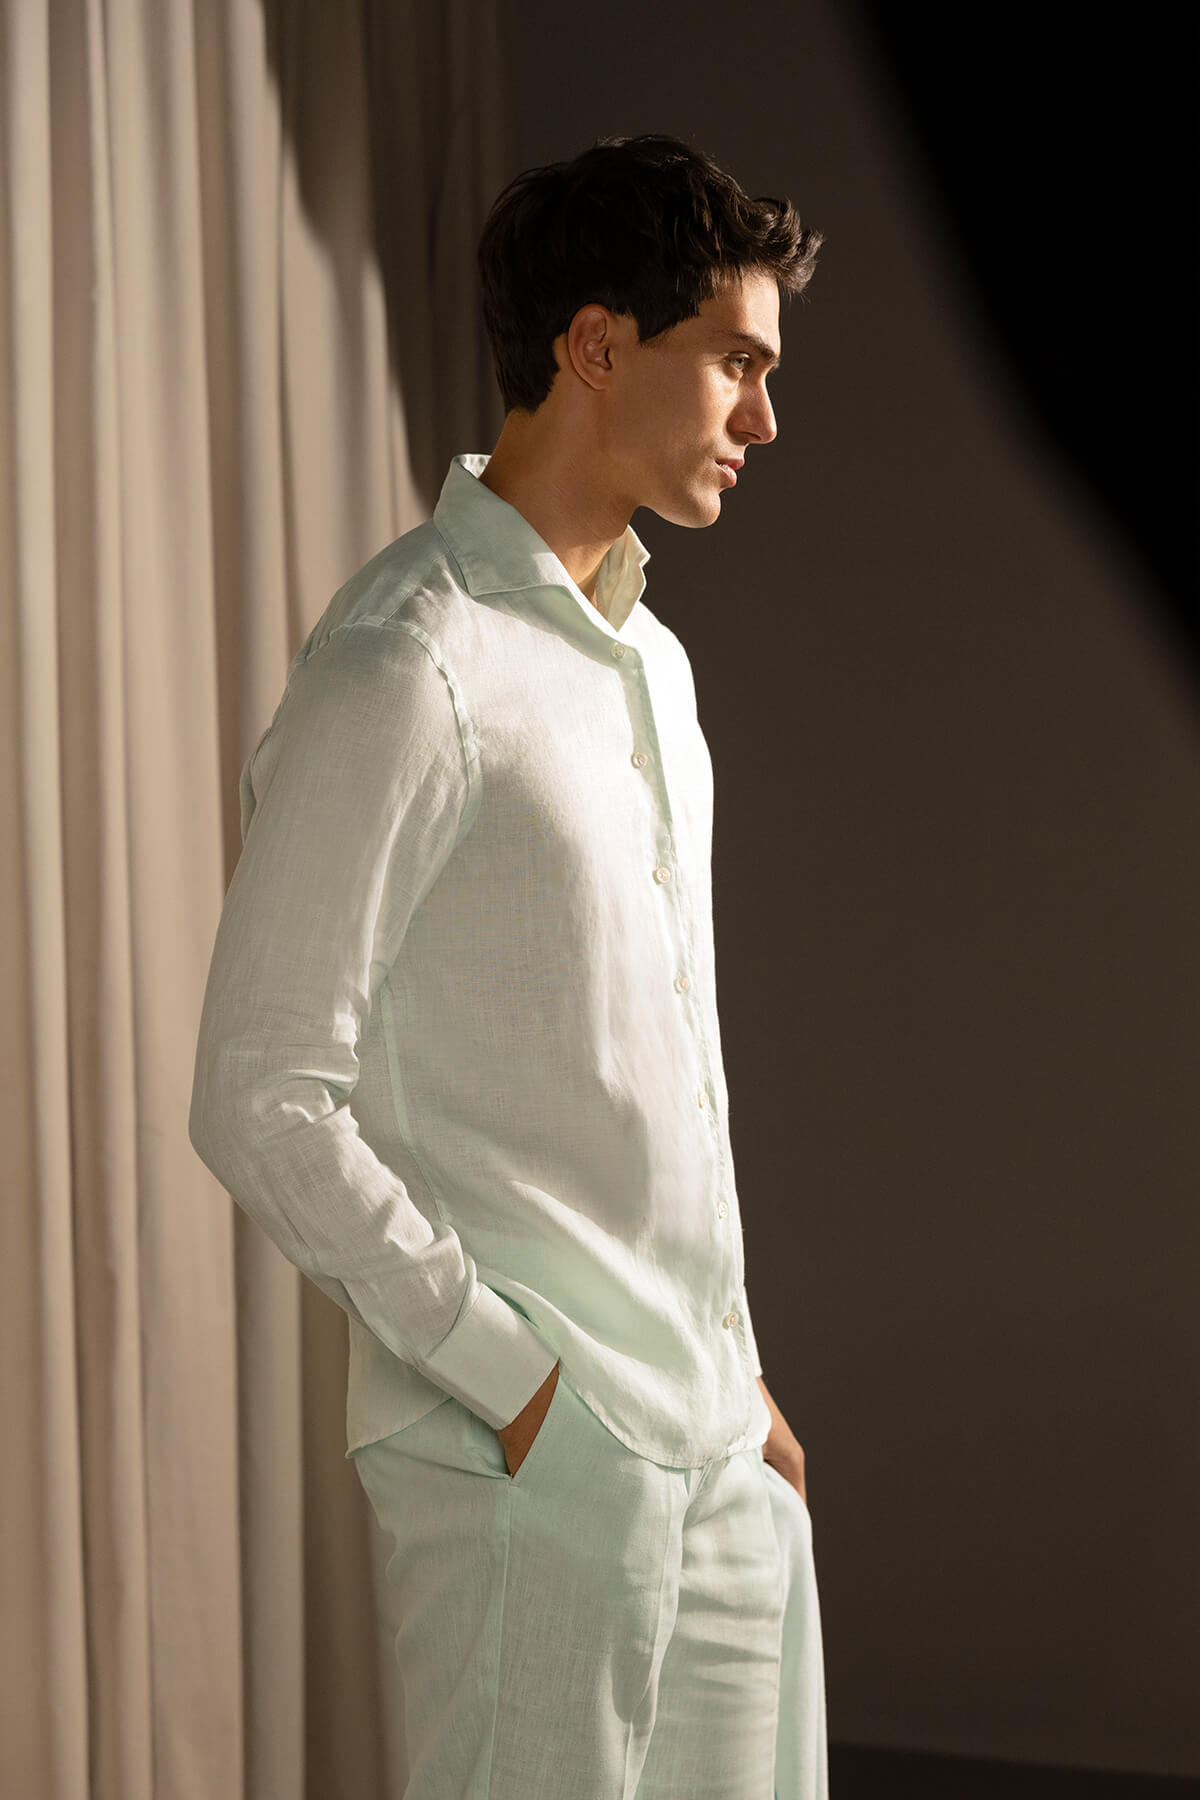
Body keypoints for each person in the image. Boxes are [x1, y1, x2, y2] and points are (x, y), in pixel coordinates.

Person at [189, 131, 827, 1800]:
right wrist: (513, 1385)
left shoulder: (656, 669)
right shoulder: (407, 663)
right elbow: (259, 1087)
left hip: (716, 1451)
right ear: (596, 345)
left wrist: (738, 1372)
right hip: (536, 1461)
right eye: (736, 363)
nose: (764, 418)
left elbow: (664, 1066)